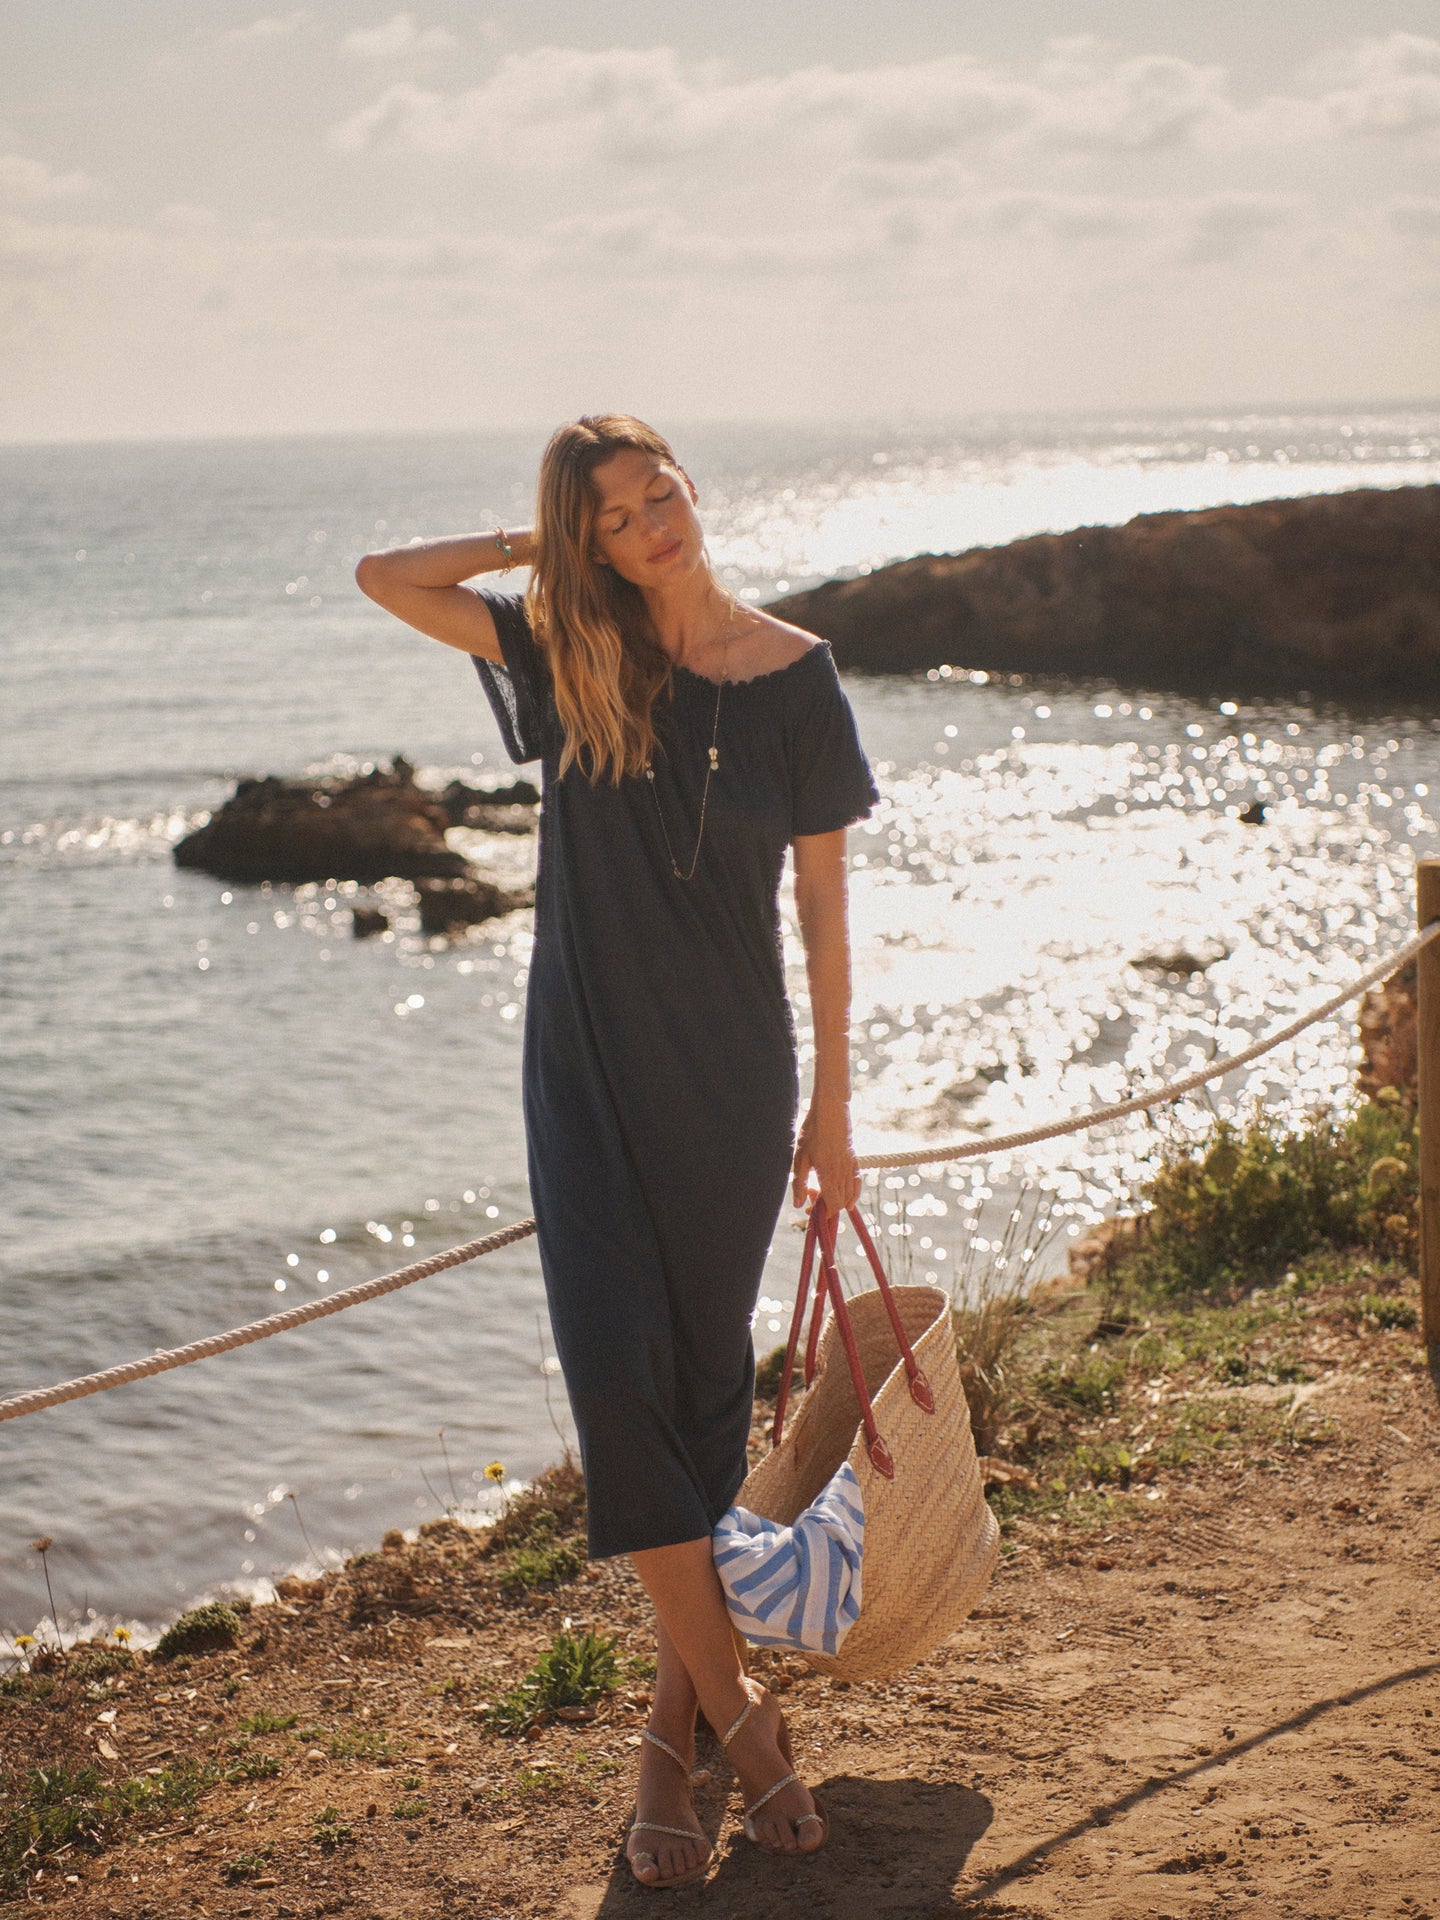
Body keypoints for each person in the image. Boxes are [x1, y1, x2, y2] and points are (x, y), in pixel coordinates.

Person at [356, 414, 878, 1889]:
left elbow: (826, 921)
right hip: (583, 1081)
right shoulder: (573, 658)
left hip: (732, 1086)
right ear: (587, 539)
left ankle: (670, 1741)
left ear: (693, 489)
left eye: (661, 492)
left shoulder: (801, 678)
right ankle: (747, 1730)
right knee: (617, 1391)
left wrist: (834, 1112)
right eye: (616, 514)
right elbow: (382, 573)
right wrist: (541, 546)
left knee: (706, 1411)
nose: (652, 521)